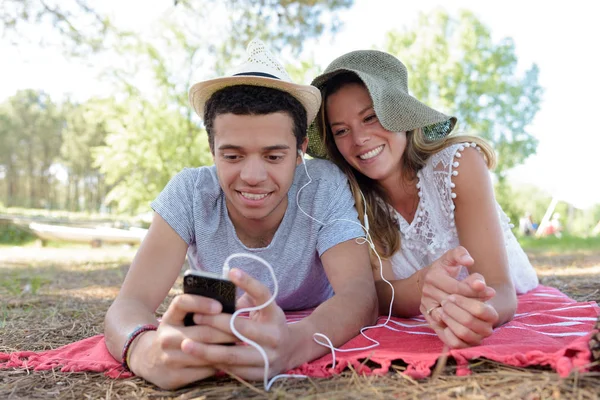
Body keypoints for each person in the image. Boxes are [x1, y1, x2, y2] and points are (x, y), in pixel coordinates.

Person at [104, 40, 380, 390]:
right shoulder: (190, 192)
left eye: (274, 157)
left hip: (312, 320)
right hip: (220, 314)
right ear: (212, 150)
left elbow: (359, 294)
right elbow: (129, 304)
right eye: (232, 156)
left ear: (300, 152)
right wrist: (144, 351)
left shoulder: (323, 184)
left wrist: (294, 344)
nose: (252, 176)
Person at [307, 50, 539, 349]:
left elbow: (501, 288)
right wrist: (424, 287)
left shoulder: (458, 165)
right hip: (432, 313)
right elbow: (379, 293)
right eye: (341, 131)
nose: (359, 139)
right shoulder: (354, 198)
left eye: (371, 117)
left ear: (401, 116)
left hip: (507, 296)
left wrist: (478, 316)